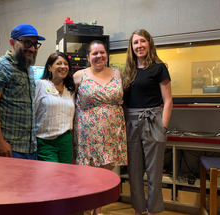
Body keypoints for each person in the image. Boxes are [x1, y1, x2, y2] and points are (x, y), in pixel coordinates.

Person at [73, 40, 127, 215]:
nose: (99, 56)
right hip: (88, 134)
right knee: (88, 174)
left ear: (107, 54)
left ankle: (97, 209)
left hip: (113, 131)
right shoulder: (79, 76)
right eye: (95, 53)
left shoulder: (117, 73)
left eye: (102, 52)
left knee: (104, 173)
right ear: (88, 57)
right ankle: (86, 209)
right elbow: (71, 102)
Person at [123, 29, 173, 215]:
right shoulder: (128, 71)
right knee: (134, 173)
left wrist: (163, 127)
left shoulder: (159, 67)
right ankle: (138, 210)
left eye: (142, 41)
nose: (139, 45)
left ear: (149, 43)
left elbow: (168, 101)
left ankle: (153, 210)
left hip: (153, 121)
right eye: (135, 42)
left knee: (153, 174)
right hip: (132, 123)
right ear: (131, 47)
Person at [0, 24, 45, 159]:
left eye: (35, 44)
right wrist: (0, 142)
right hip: (9, 147)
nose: (32, 48)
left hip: (28, 147)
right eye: (27, 43)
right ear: (12, 42)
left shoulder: (28, 69)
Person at [35, 52, 75, 164]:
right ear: (49, 67)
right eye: (59, 63)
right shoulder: (40, 85)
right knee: (51, 176)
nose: (63, 67)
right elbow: (32, 112)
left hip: (65, 141)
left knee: (65, 176)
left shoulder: (70, 90)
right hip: (45, 141)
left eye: (66, 64)